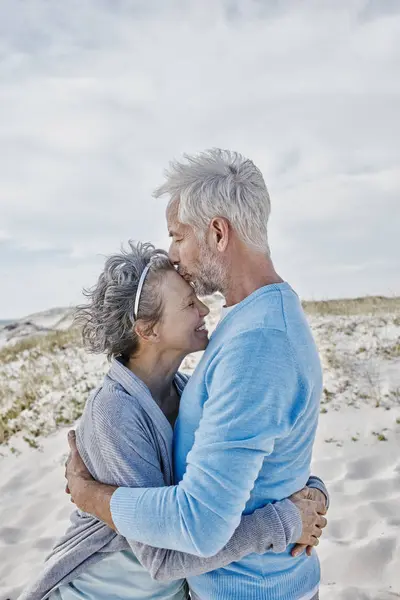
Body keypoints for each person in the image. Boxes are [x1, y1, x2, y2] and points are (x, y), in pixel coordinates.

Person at [65, 149, 329, 600]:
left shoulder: (257, 341)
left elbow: (198, 524)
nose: (173, 253)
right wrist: (307, 497)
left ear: (218, 232)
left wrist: (90, 498)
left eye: (177, 236)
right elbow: (264, 451)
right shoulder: (253, 323)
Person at [20, 241, 327, 600]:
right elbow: (164, 557)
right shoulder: (115, 413)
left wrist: (312, 490)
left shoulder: (184, 390)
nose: (204, 308)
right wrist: (283, 523)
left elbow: (235, 470)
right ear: (148, 330)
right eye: (188, 304)